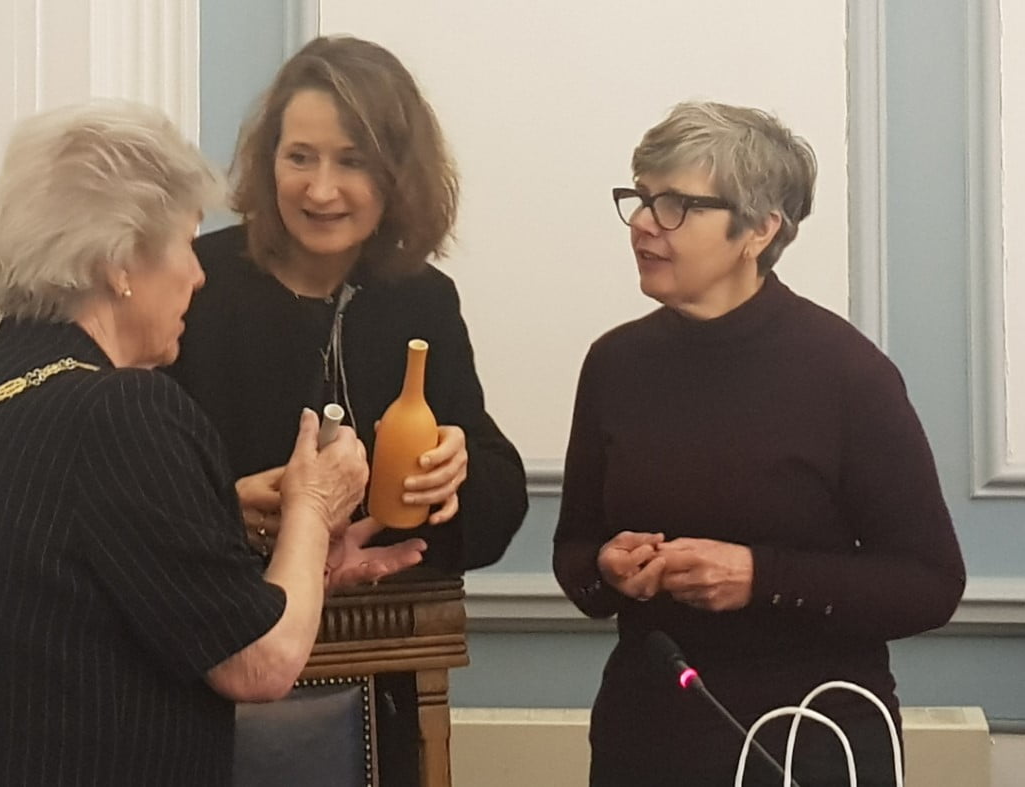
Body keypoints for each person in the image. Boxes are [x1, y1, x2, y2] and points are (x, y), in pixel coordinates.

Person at [0, 100, 425, 787]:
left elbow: (71, 600)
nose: (198, 274)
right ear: (121, 261)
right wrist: (313, 504)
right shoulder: (120, 410)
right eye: (188, 242)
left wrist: (275, 548)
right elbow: (262, 662)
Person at [552, 101, 966, 787]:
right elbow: (575, 556)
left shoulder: (846, 373)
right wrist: (608, 566)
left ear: (760, 228)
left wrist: (759, 577)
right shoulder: (614, 364)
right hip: (646, 738)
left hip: (810, 737)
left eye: (677, 204)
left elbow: (930, 584)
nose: (644, 224)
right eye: (641, 197)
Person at [162, 35, 529, 785]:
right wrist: (229, 512)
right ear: (269, 162)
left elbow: (500, 499)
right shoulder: (199, 286)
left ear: (398, 174)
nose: (321, 189)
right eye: (300, 156)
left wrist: (449, 484)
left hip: (383, 679)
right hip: (215, 677)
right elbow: (139, 487)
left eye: (352, 161)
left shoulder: (422, 296)